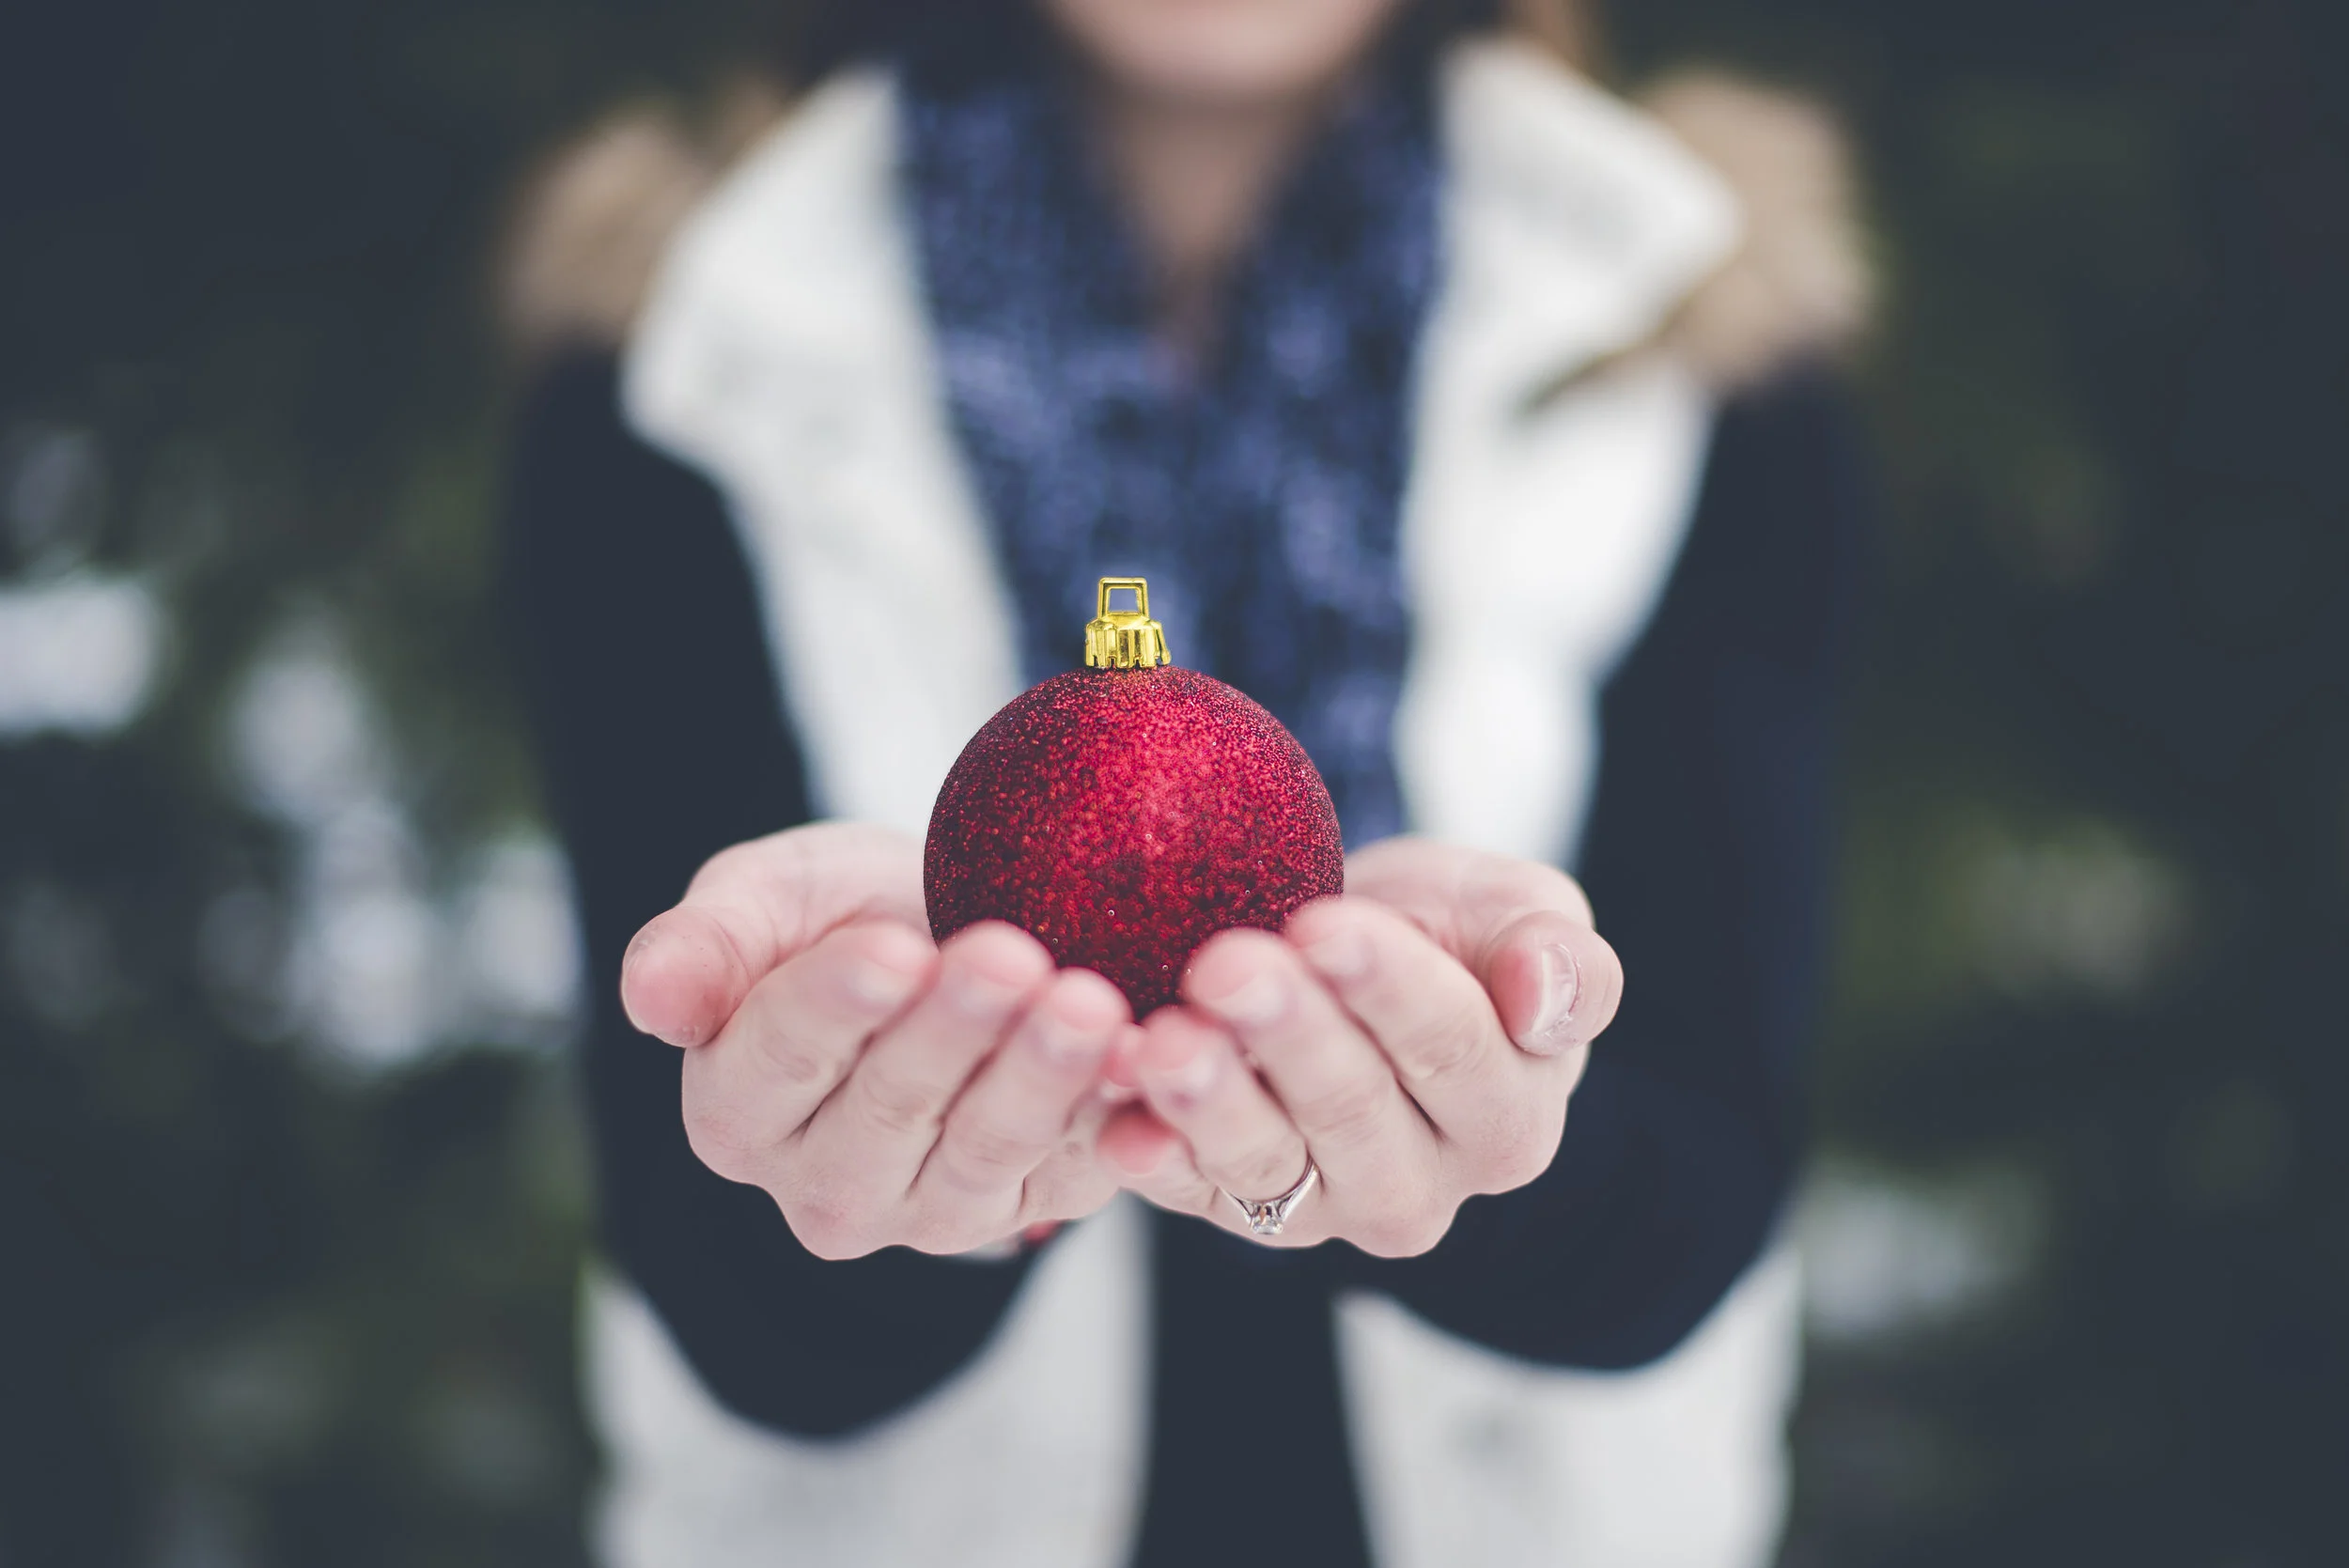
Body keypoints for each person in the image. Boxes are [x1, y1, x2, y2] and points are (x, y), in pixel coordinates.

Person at [498, 1, 1871, 1563]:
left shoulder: (1699, 317)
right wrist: (925, 1171)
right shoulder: (683, 337)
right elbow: (725, 1283)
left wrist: (1479, 1138)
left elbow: (1705, 1163)